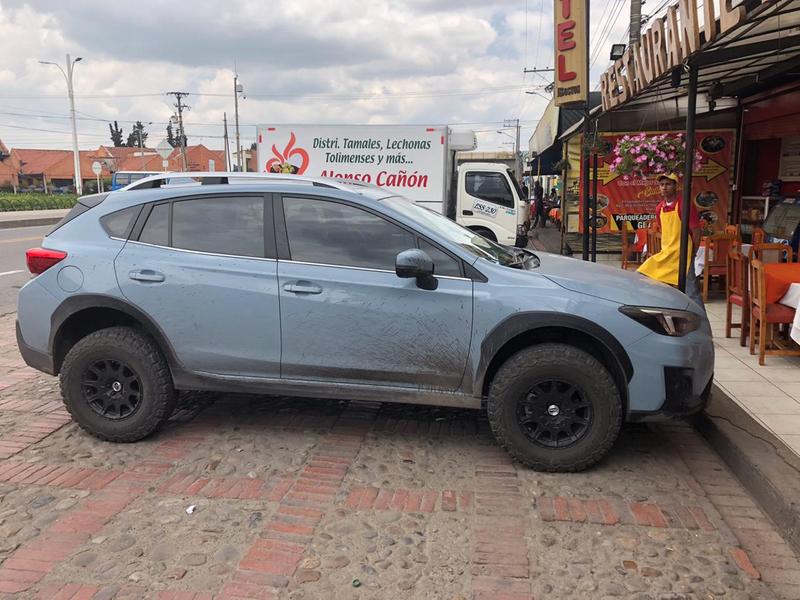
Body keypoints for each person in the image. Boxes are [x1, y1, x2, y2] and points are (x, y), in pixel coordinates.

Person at [637, 173, 704, 309]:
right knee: (641, 274)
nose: (664, 187)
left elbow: (696, 231)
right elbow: (664, 231)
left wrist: (692, 254)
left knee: (691, 292)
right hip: (666, 254)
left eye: (668, 184)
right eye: (662, 185)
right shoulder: (659, 209)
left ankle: (702, 321)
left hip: (683, 255)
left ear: (676, 186)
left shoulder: (684, 205)